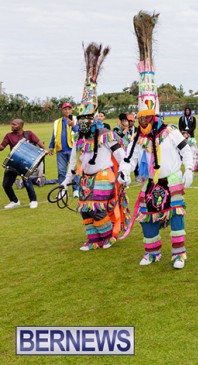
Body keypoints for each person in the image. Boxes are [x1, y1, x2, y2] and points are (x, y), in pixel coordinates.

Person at [118, 10, 194, 269]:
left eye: (147, 118)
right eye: (140, 118)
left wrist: (189, 169)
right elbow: (130, 157)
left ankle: (179, 254)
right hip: (150, 181)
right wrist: (124, 171)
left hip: (171, 179)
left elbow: (186, 150)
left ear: (155, 115)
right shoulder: (138, 136)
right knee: (148, 217)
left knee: (176, 216)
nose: (143, 122)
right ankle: (152, 253)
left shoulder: (170, 131)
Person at [61, 42, 128, 250]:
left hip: (103, 175)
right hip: (85, 177)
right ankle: (93, 240)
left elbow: (120, 154)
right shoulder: (79, 137)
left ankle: (108, 237)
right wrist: (66, 181)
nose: (83, 123)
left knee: (97, 208)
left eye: (86, 120)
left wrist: (124, 170)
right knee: (85, 209)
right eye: (81, 119)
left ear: (93, 119)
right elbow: (74, 161)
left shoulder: (106, 134)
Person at [1, 119, 48, 209]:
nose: (12, 126)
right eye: (12, 124)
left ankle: (33, 201)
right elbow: (2, 147)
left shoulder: (29, 134)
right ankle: (14, 201)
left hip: (26, 163)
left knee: (27, 182)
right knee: (6, 184)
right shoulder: (9, 135)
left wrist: (44, 150)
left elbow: (38, 142)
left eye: (14, 124)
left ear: (20, 126)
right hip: (13, 162)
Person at [49, 102, 79, 197]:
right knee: (61, 171)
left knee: (74, 170)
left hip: (73, 148)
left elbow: (79, 132)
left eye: (69, 109)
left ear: (71, 110)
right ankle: (62, 190)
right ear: (62, 110)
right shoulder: (57, 122)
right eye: (65, 109)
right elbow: (54, 135)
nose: (67, 111)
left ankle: (76, 190)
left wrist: (73, 125)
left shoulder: (76, 119)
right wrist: (51, 146)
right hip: (60, 149)